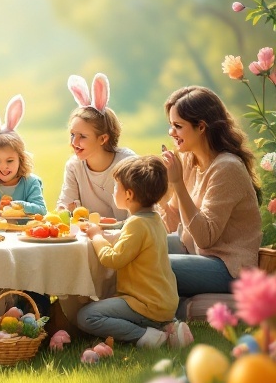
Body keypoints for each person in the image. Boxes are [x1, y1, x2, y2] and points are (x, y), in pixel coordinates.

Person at [160, 86, 262, 306]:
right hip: (196, 252)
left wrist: (177, 183)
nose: (171, 133)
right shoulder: (189, 159)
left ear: (201, 127)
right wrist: (158, 189)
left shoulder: (227, 168)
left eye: (178, 126)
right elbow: (172, 223)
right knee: (142, 247)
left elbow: (206, 238)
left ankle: (168, 320)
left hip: (228, 266)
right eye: (171, 126)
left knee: (155, 264)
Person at [77, 156, 192, 348]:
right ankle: (167, 327)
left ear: (129, 195)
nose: (113, 191)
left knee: (86, 316)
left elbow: (112, 259)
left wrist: (97, 236)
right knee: (108, 304)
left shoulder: (137, 224)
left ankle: (150, 337)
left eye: (116, 187)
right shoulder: (153, 219)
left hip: (145, 304)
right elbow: (131, 240)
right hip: (163, 302)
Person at [56, 73, 135, 220]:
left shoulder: (128, 163)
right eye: (73, 134)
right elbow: (66, 203)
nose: (74, 142)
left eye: (82, 136)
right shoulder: (74, 166)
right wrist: (63, 210)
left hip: (127, 235)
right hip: (91, 234)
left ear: (103, 138)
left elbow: (141, 213)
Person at [0, 95, 46, 218]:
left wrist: (17, 205)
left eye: (10, 161)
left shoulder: (30, 182)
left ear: (20, 160)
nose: (4, 167)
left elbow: (41, 210)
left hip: (22, 233)